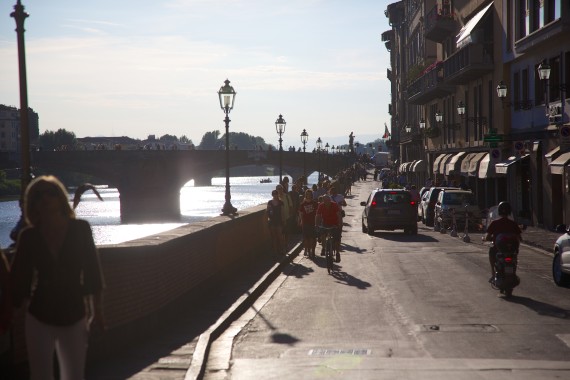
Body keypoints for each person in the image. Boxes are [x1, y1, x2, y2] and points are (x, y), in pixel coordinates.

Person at [10, 175, 105, 380]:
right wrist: (18, 308)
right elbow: (18, 279)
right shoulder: (29, 237)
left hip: (74, 313)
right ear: (32, 202)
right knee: (41, 375)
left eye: (50, 193)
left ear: (60, 197)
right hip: (38, 315)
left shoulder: (80, 229)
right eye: (38, 195)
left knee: (74, 374)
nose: (44, 199)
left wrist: (96, 311)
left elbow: (92, 272)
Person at [483, 201, 522, 281]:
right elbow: (519, 238)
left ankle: (493, 274)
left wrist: (489, 238)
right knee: (514, 258)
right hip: (512, 250)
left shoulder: (494, 223)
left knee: (491, 253)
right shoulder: (513, 223)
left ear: (499, 211)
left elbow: (487, 237)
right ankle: (513, 273)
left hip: (498, 249)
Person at [315, 195, 342, 262]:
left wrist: (340, 224)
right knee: (322, 234)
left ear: (330, 200)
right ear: (323, 201)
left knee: (337, 239)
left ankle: (338, 253)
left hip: (334, 223)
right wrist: (316, 225)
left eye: (328, 200)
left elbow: (339, 215)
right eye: (325, 201)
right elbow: (317, 216)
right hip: (325, 223)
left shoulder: (334, 205)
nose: (327, 202)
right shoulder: (321, 206)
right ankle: (324, 248)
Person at [298, 189, 318, 257]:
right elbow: (301, 214)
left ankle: (313, 251)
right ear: (305, 195)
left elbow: (318, 213)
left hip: (313, 222)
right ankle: (308, 250)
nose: (308, 195)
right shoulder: (302, 204)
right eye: (307, 194)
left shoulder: (315, 203)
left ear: (311, 195)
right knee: (306, 238)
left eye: (310, 194)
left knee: (313, 238)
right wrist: (300, 221)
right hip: (305, 222)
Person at [266, 189, 285, 255]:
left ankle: (281, 249)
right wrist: (268, 218)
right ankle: (275, 251)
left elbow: (282, 213)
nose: (275, 195)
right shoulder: (269, 202)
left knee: (280, 236)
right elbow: (267, 211)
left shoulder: (281, 202)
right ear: (272, 195)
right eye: (274, 194)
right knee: (274, 237)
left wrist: (283, 221)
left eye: (276, 194)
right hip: (272, 221)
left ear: (278, 194)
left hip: (279, 221)